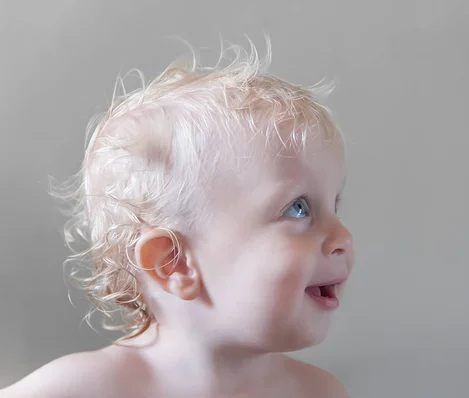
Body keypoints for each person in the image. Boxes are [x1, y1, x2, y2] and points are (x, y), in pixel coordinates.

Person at [0, 39, 354, 398]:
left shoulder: (319, 392)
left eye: (334, 205)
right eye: (298, 208)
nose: (342, 236)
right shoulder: (85, 389)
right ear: (174, 263)